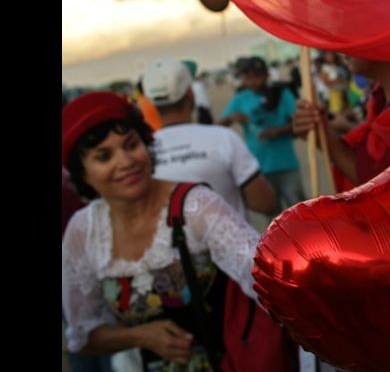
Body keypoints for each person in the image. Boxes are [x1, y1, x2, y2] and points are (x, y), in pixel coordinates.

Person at [61, 91, 261, 371]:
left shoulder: (195, 207)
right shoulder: (84, 231)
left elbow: (263, 280)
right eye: (104, 156)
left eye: (131, 145)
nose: (126, 161)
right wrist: (138, 336)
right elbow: (83, 336)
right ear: (82, 173)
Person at [142, 57, 277, 220]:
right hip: (232, 243)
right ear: (190, 94)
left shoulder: (143, 152)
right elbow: (266, 203)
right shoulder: (223, 138)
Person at [293, 56, 390, 190]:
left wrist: (330, 141)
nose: (342, 52)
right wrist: (322, 133)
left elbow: (386, 191)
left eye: (353, 36)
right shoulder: (377, 96)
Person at [220, 56, 306, 216]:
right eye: (247, 78)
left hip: (287, 165)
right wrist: (232, 118)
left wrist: (278, 131)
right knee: (273, 220)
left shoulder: (282, 93)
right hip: (259, 169)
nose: (252, 82)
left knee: (300, 213)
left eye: (256, 77)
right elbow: (219, 126)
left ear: (267, 75)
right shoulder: (240, 99)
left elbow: (299, 122)